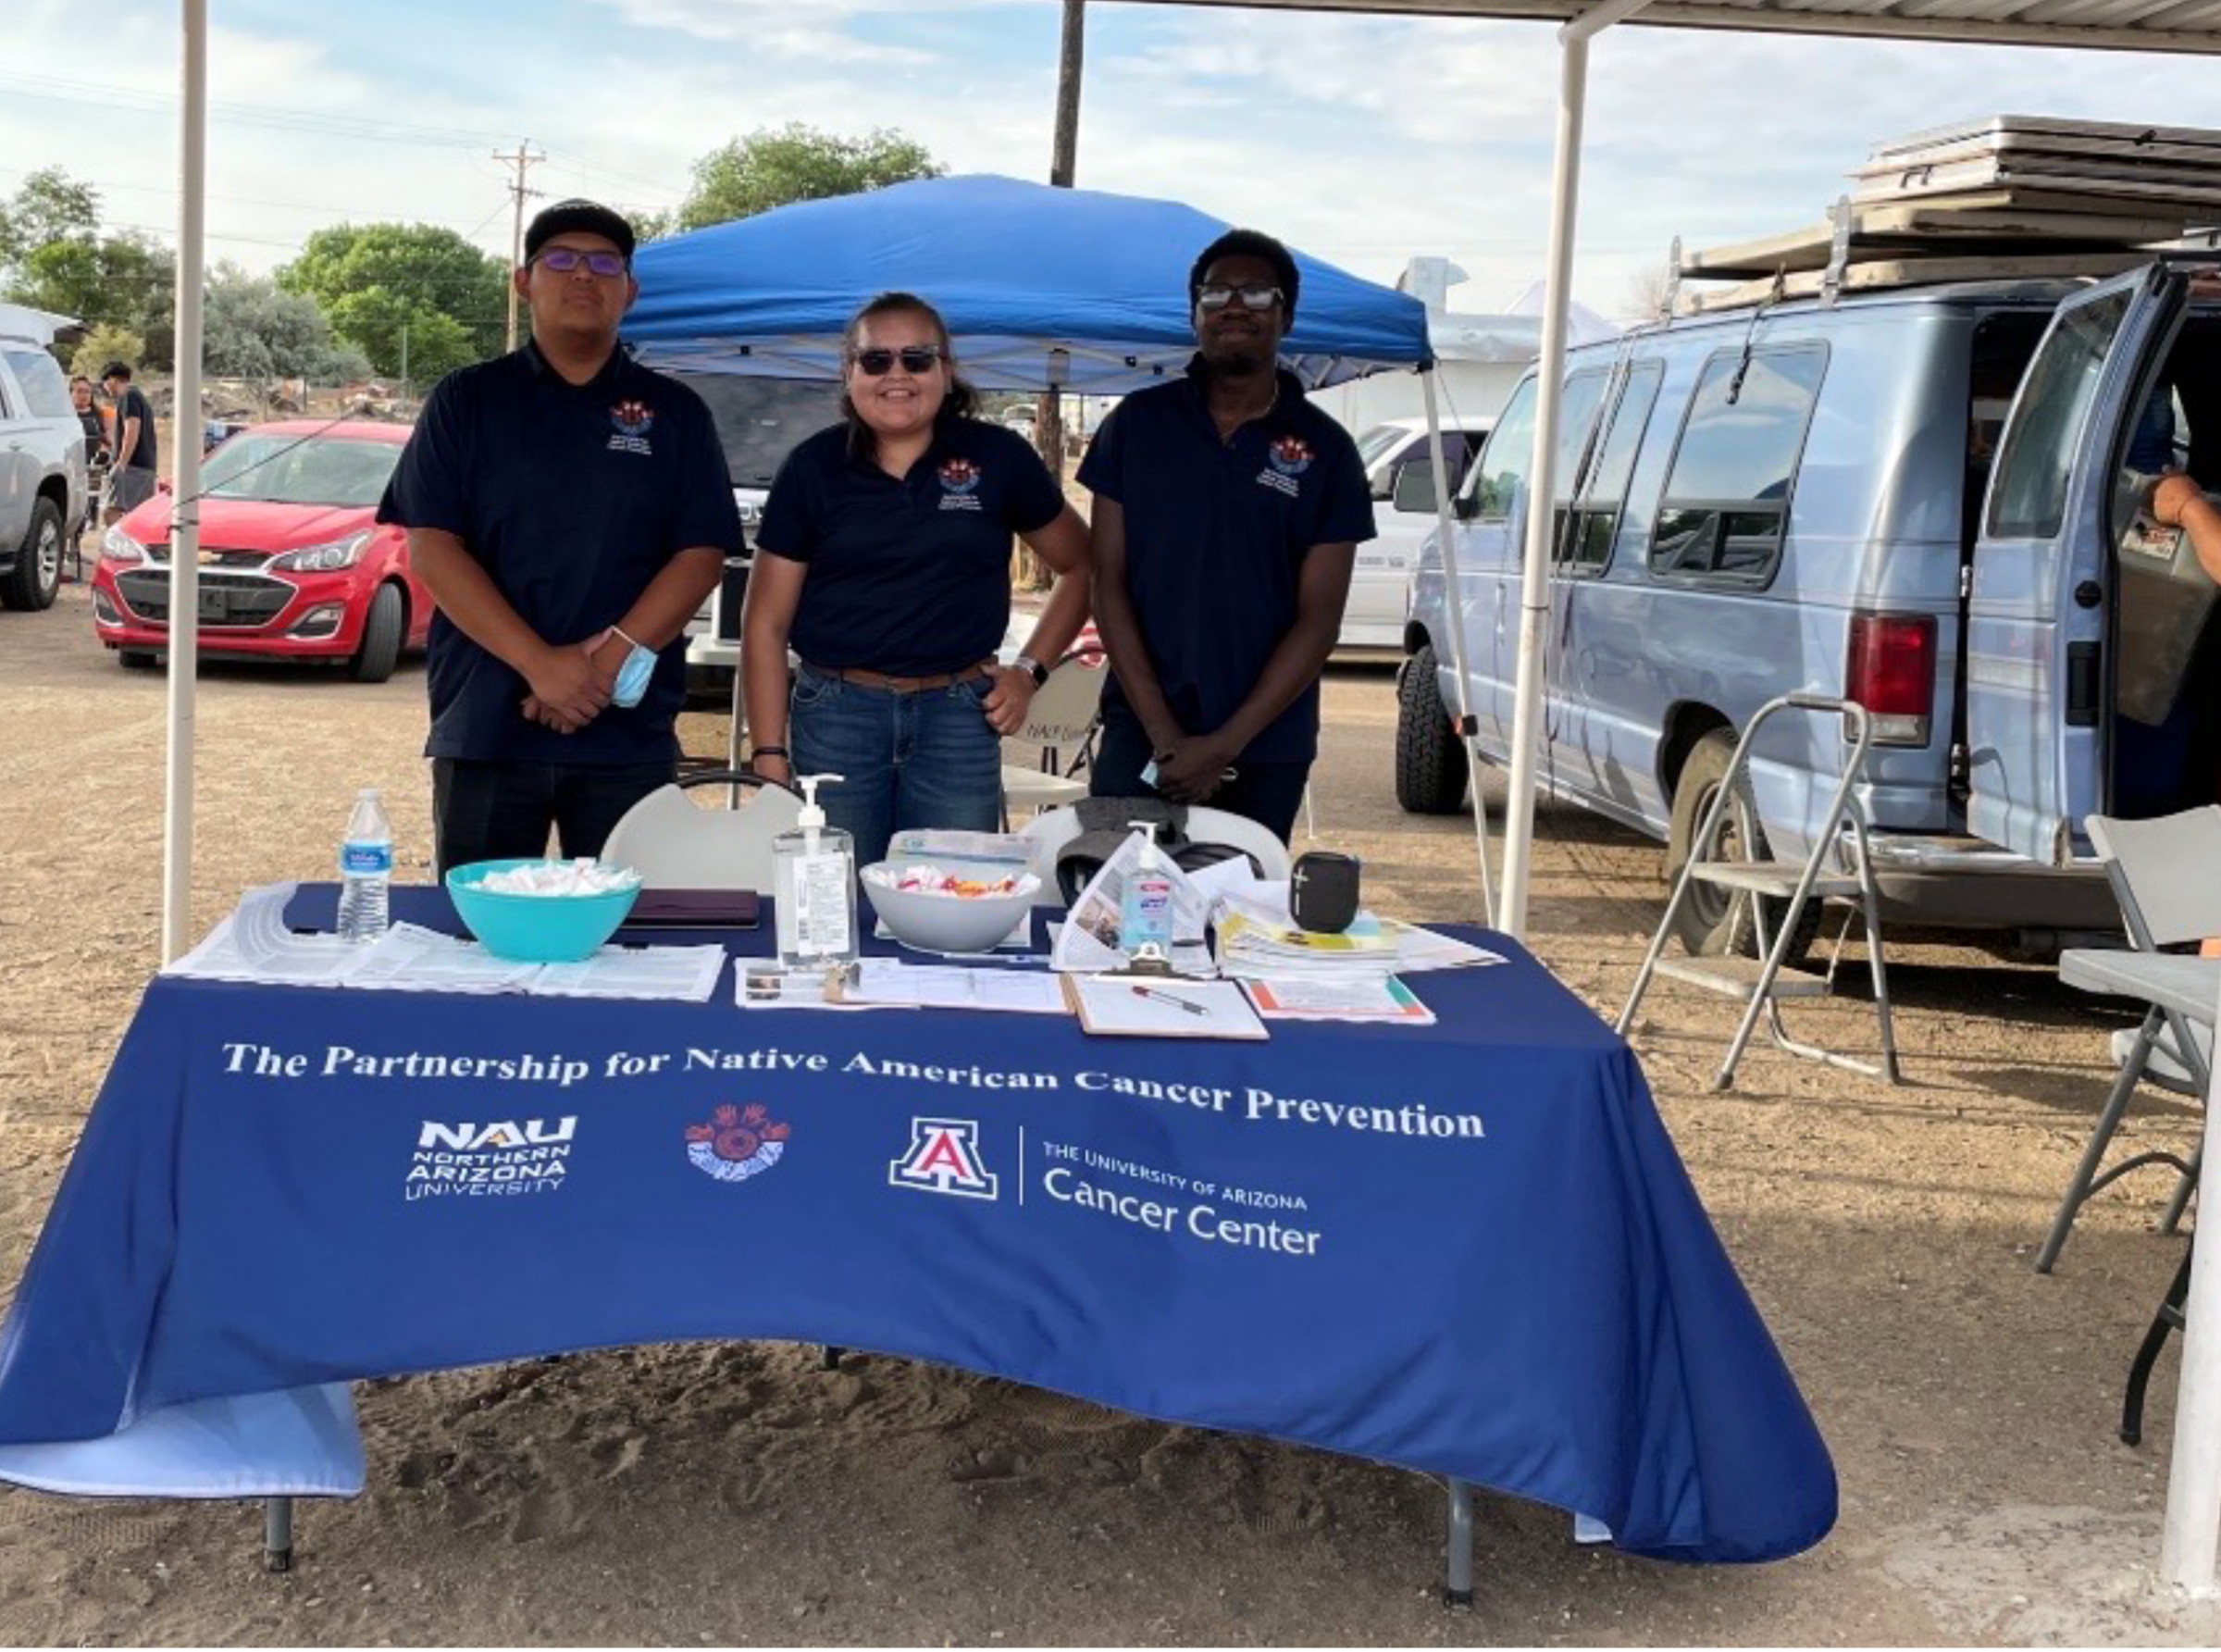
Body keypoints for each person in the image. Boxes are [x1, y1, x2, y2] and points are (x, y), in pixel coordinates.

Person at [377, 198, 738, 874]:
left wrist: (598, 670)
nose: (583, 276)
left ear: (629, 291)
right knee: (480, 944)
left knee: (631, 948)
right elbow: (432, 546)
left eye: (604, 263)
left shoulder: (676, 412)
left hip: (626, 734)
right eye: (562, 260)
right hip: (486, 725)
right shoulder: (467, 400)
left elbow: (700, 555)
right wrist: (542, 665)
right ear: (523, 281)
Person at [742, 292, 1092, 868]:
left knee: (955, 904)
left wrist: (1030, 674)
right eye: (875, 360)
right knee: (834, 900)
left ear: (946, 371)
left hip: (958, 716)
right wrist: (769, 753)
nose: (896, 375)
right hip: (836, 715)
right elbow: (765, 622)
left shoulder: (999, 457)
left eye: (917, 358)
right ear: (848, 372)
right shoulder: (812, 467)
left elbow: (1083, 566)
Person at [1079, 229, 1374, 844]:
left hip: (1266, 743)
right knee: (1115, 913)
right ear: (1194, 315)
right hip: (1141, 731)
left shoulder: (1328, 450)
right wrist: (1162, 734)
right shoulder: (1136, 425)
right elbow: (1107, 581)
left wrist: (1225, 744)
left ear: (1286, 316)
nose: (1234, 306)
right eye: (1215, 294)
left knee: (1242, 921)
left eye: (1256, 293)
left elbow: (1319, 620)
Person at [101, 361, 156, 525]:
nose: (106, 389)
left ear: (111, 380)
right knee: (139, 516)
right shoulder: (138, 396)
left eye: (105, 383)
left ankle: (117, 549)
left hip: (132, 467)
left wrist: (121, 463)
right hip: (145, 467)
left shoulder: (128, 396)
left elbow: (132, 428)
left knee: (111, 511)